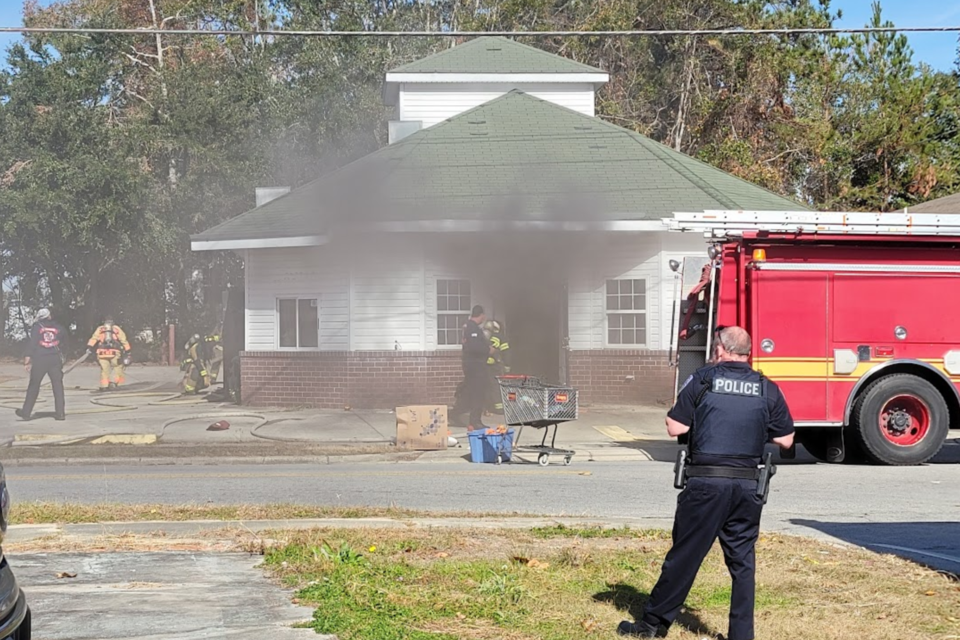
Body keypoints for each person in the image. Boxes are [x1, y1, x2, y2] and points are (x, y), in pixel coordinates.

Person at [618, 325, 794, 640]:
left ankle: (652, 626)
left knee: (685, 556)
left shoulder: (703, 379)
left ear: (719, 349)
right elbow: (786, 438)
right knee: (742, 564)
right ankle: (742, 635)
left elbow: (674, 427)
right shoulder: (767, 387)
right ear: (748, 353)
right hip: (747, 487)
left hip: (705, 484)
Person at [16, 308, 66, 421]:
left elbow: (33, 342)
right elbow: (64, 341)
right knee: (57, 386)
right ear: (49, 316)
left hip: (40, 359)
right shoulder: (58, 327)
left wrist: (28, 358)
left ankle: (26, 412)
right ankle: (60, 413)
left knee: (34, 385)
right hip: (54, 359)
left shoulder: (37, 327)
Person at [452, 305, 495, 431]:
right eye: (483, 316)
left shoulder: (470, 327)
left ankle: (455, 414)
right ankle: (475, 421)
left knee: (469, 391)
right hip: (475, 366)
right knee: (478, 393)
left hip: (473, 365)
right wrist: (489, 350)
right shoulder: (472, 328)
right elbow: (474, 348)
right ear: (481, 315)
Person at [86, 315, 131, 391]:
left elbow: (94, 338)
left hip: (101, 353)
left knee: (104, 369)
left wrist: (89, 347)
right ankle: (113, 382)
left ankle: (104, 385)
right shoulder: (116, 329)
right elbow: (123, 340)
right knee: (118, 366)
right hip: (114, 352)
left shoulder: (100, 329)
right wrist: (128, 351)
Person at [484, 319, 511, 413]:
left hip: (484, 366)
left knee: (487, 386)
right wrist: (507, 366)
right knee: (496, 386)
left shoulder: (485, 337)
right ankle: (498, 408)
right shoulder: (500, 337)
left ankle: (488, 407)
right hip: (494, 366)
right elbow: (505, 353)